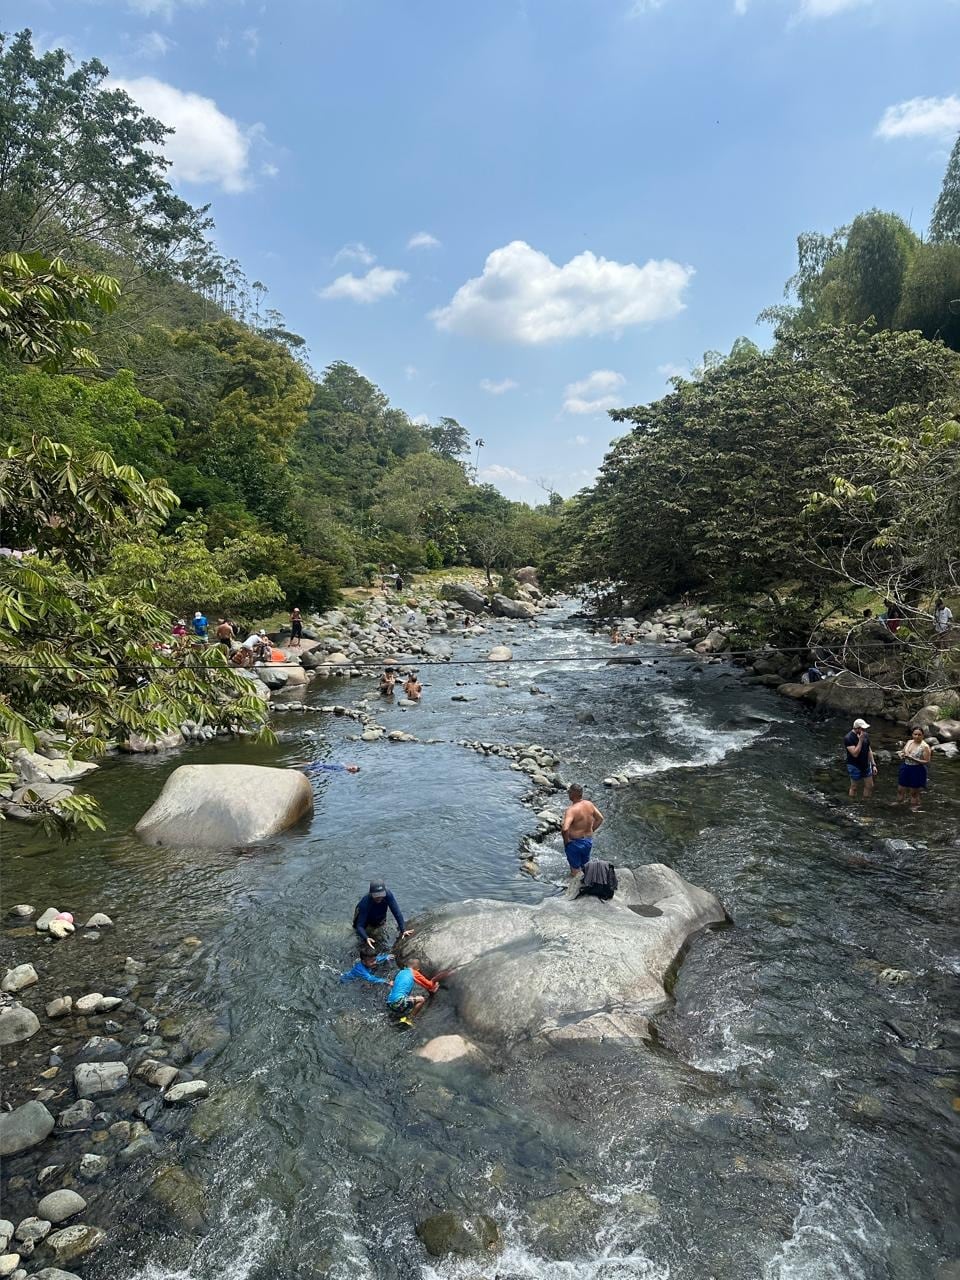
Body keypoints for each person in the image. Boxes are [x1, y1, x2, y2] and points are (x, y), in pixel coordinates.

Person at [353, 881, 413, 952]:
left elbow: (396, 912)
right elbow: (360, 926)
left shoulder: (388, 895)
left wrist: (403, 930)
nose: (379, 898)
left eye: (381, 895)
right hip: (365, 918)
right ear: (371, 893)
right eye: (376, 895)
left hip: (379, 916)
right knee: (359, 936)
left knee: (379, 935)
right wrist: (366, 938)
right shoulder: (365, 903)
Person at [561, 784, 604, 876]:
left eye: (569, 792)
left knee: (575, 870)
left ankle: (575, 889)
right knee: (585, 867)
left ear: (573, 794)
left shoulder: (571, 810)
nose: (568, 794)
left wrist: (566, 841)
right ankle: (587, 884)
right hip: (587, 841)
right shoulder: (589, 804)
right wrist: (591, 830)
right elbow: (600, 818)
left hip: (574, 844)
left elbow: (565, 829)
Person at [897, 727, 931, 812]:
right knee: (900, 789)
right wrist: (901, 755)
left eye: (919, 735)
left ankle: (914, 806)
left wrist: (912, 758)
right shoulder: (909, 742)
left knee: (914, 792)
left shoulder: (925, 747)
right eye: (915, 734)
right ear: (912, 735)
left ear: (923, 736)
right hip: (905, 767)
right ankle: (899, 802)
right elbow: (903, 752)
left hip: (917, 769)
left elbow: (926, 761)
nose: (917, 736)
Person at [844, 717, 877, 799]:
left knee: (870, 786)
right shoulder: (848, 738)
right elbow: (855, 754)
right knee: (854, 787)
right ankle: (852, 803)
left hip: (866, 764)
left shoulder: (865, 735)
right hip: (854, 765)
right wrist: (860, 741)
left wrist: (873, 764)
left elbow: (869, 749)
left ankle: (864, 802)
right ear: (857, 728)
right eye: (862, 728)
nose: (864, 730)